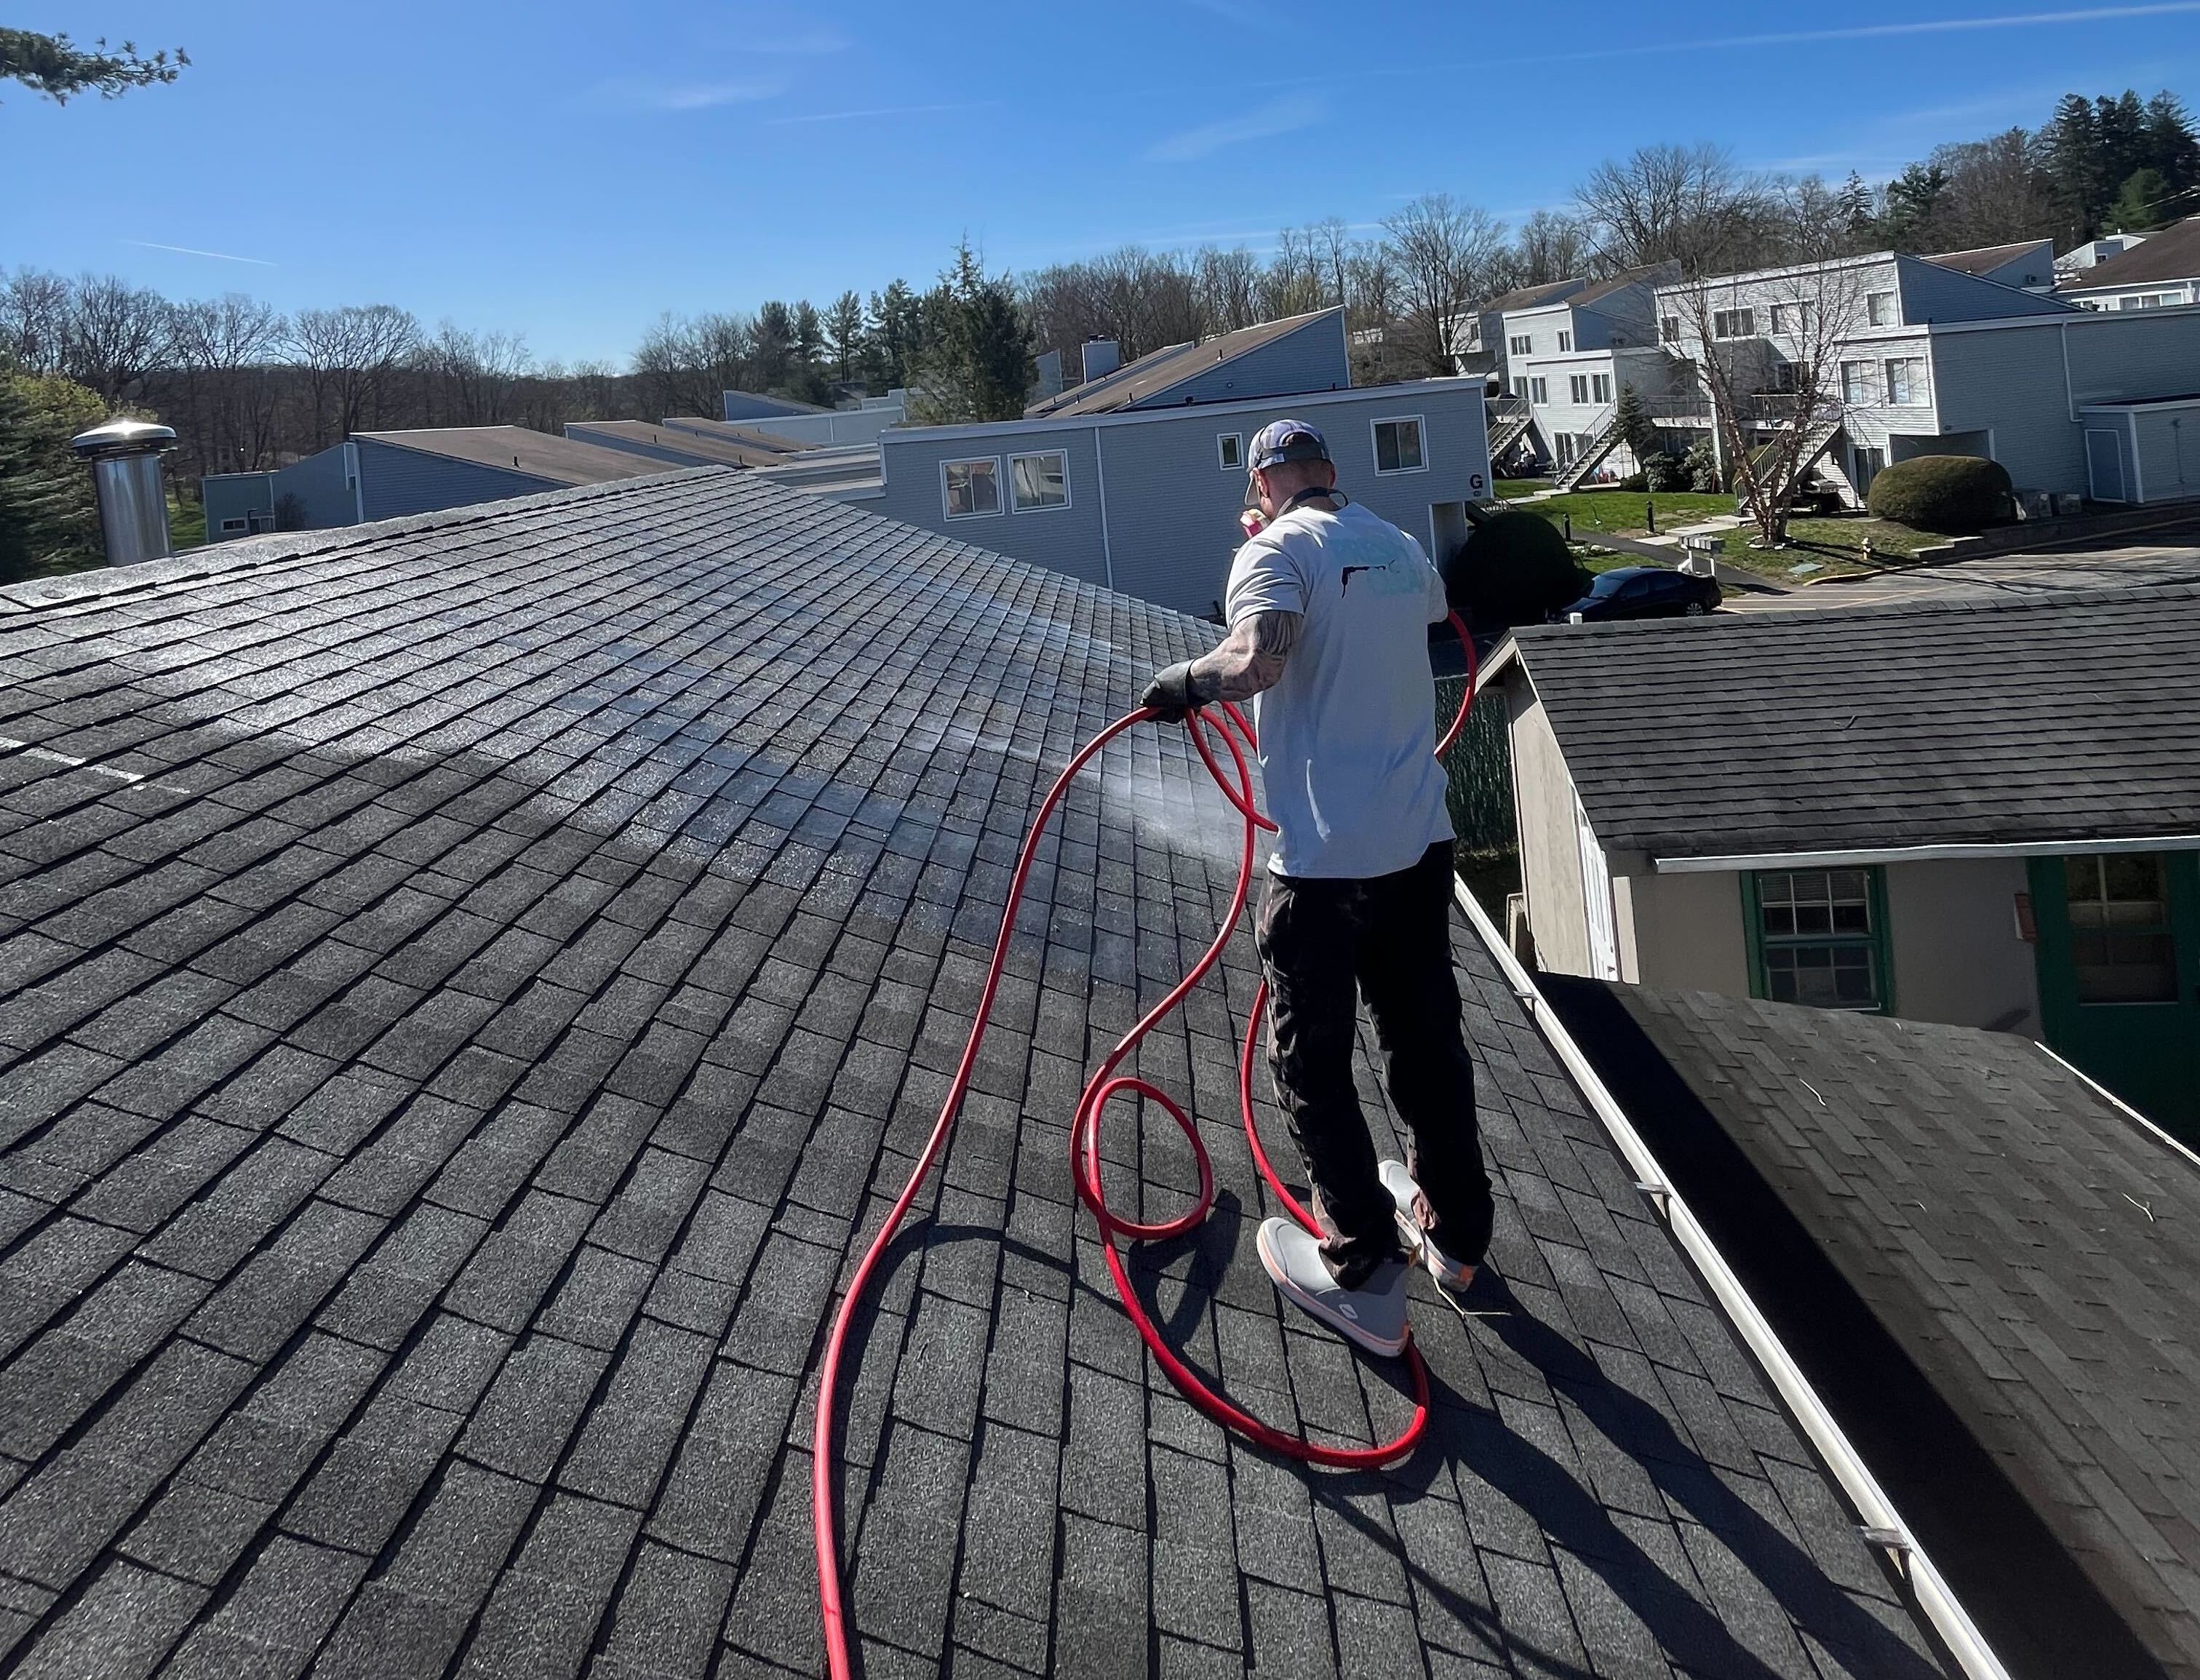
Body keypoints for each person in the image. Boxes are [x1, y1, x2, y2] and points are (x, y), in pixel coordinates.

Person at [1139, 419, 1493, 1358]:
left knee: (1311, 1068)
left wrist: (1181, 681)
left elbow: (1259, 659)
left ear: (1262, 488)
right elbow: (1427, 609)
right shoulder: (1398, 545)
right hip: (1418, 851)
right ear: (1331, 473)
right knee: (1425, 1045)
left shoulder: (1275, 553)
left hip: (1326, 871)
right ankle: (1457, 1238)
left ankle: (1365, 1267)